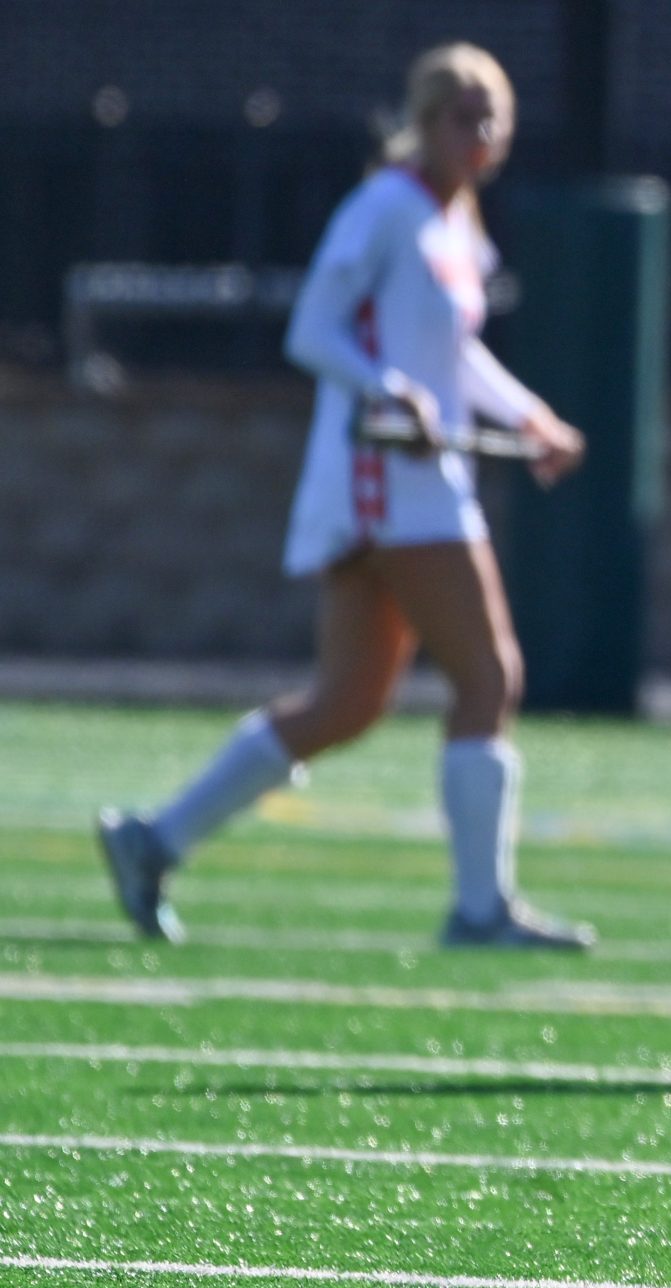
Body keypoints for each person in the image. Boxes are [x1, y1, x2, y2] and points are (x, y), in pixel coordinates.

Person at [96, 43, 593, 950]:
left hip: (409, 480)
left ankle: (153, 841)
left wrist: (530, 417)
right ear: (425, 121)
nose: (482, 133)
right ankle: (480, 910)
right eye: (464, 116)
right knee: (489, 676)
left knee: (348, 703)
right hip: (388, 480)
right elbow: (313, 331)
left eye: (494, 117)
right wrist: (386, 389)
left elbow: (454, 355)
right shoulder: (385, 208)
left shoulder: (456, 224)